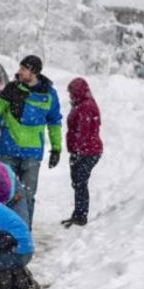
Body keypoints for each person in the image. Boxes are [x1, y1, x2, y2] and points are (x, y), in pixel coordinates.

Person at [0, 55, 62, 226]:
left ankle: (24, 232)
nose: (19, 72)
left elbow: (55, 122)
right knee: (4, 192)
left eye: (23, 69)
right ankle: (2, 232)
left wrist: (56, 149)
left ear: (33, 72)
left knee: (27, 197)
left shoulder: (49, 94)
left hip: (32, 154)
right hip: (8, 150)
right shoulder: (12, 89)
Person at [61, 78, 102, 228]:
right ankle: (78, 213)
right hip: (84, 150)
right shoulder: (82, 103)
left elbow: (83, 132)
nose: (70, 95)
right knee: (78, 182)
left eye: (72, 92)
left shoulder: (85, 106)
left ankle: (81, 216)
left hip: (87, 152)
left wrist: (78, 152)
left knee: (80, 182)